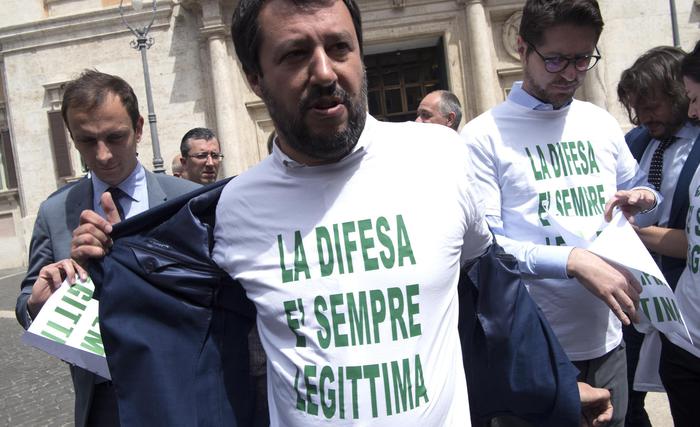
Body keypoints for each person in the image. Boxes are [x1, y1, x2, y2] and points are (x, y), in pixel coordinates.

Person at [70, 0, 615, 425]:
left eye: (339, 47)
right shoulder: (231, 212)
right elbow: (179, 347)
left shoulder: (444, 158)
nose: (325, 71)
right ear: (254, 78)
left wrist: (560, 385)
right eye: (293, 54)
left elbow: (495, 299)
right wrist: (108, 269)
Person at [461, 1, 661, 426]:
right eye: (555, 60)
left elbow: (641, 199)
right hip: (533, 351)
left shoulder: (599, 122)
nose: (570, 74)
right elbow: (488, 250)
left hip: (610, 338)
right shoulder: (483, 138)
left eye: (582, 60)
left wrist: (644, 199)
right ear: (521, 48)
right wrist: (573, 261)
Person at [14, 70, 199, 427]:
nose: (103, 155)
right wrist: (37, 304)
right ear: (72, 137)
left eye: (115, 138)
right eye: (86, 141)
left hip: (182, 386)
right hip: (103, 402)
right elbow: (26, 303)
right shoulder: (55, 212)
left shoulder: (185, 201)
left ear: (139, 128)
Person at [616, 45, 700, 427]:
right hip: (634, 300)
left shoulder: (697, 146)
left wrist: (632, 230)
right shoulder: (636, 143)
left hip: (684, 306)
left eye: (651, 106)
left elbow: (690, 240)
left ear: (680, 95)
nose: (644, 117)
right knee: (624, 403)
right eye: (637, 108)